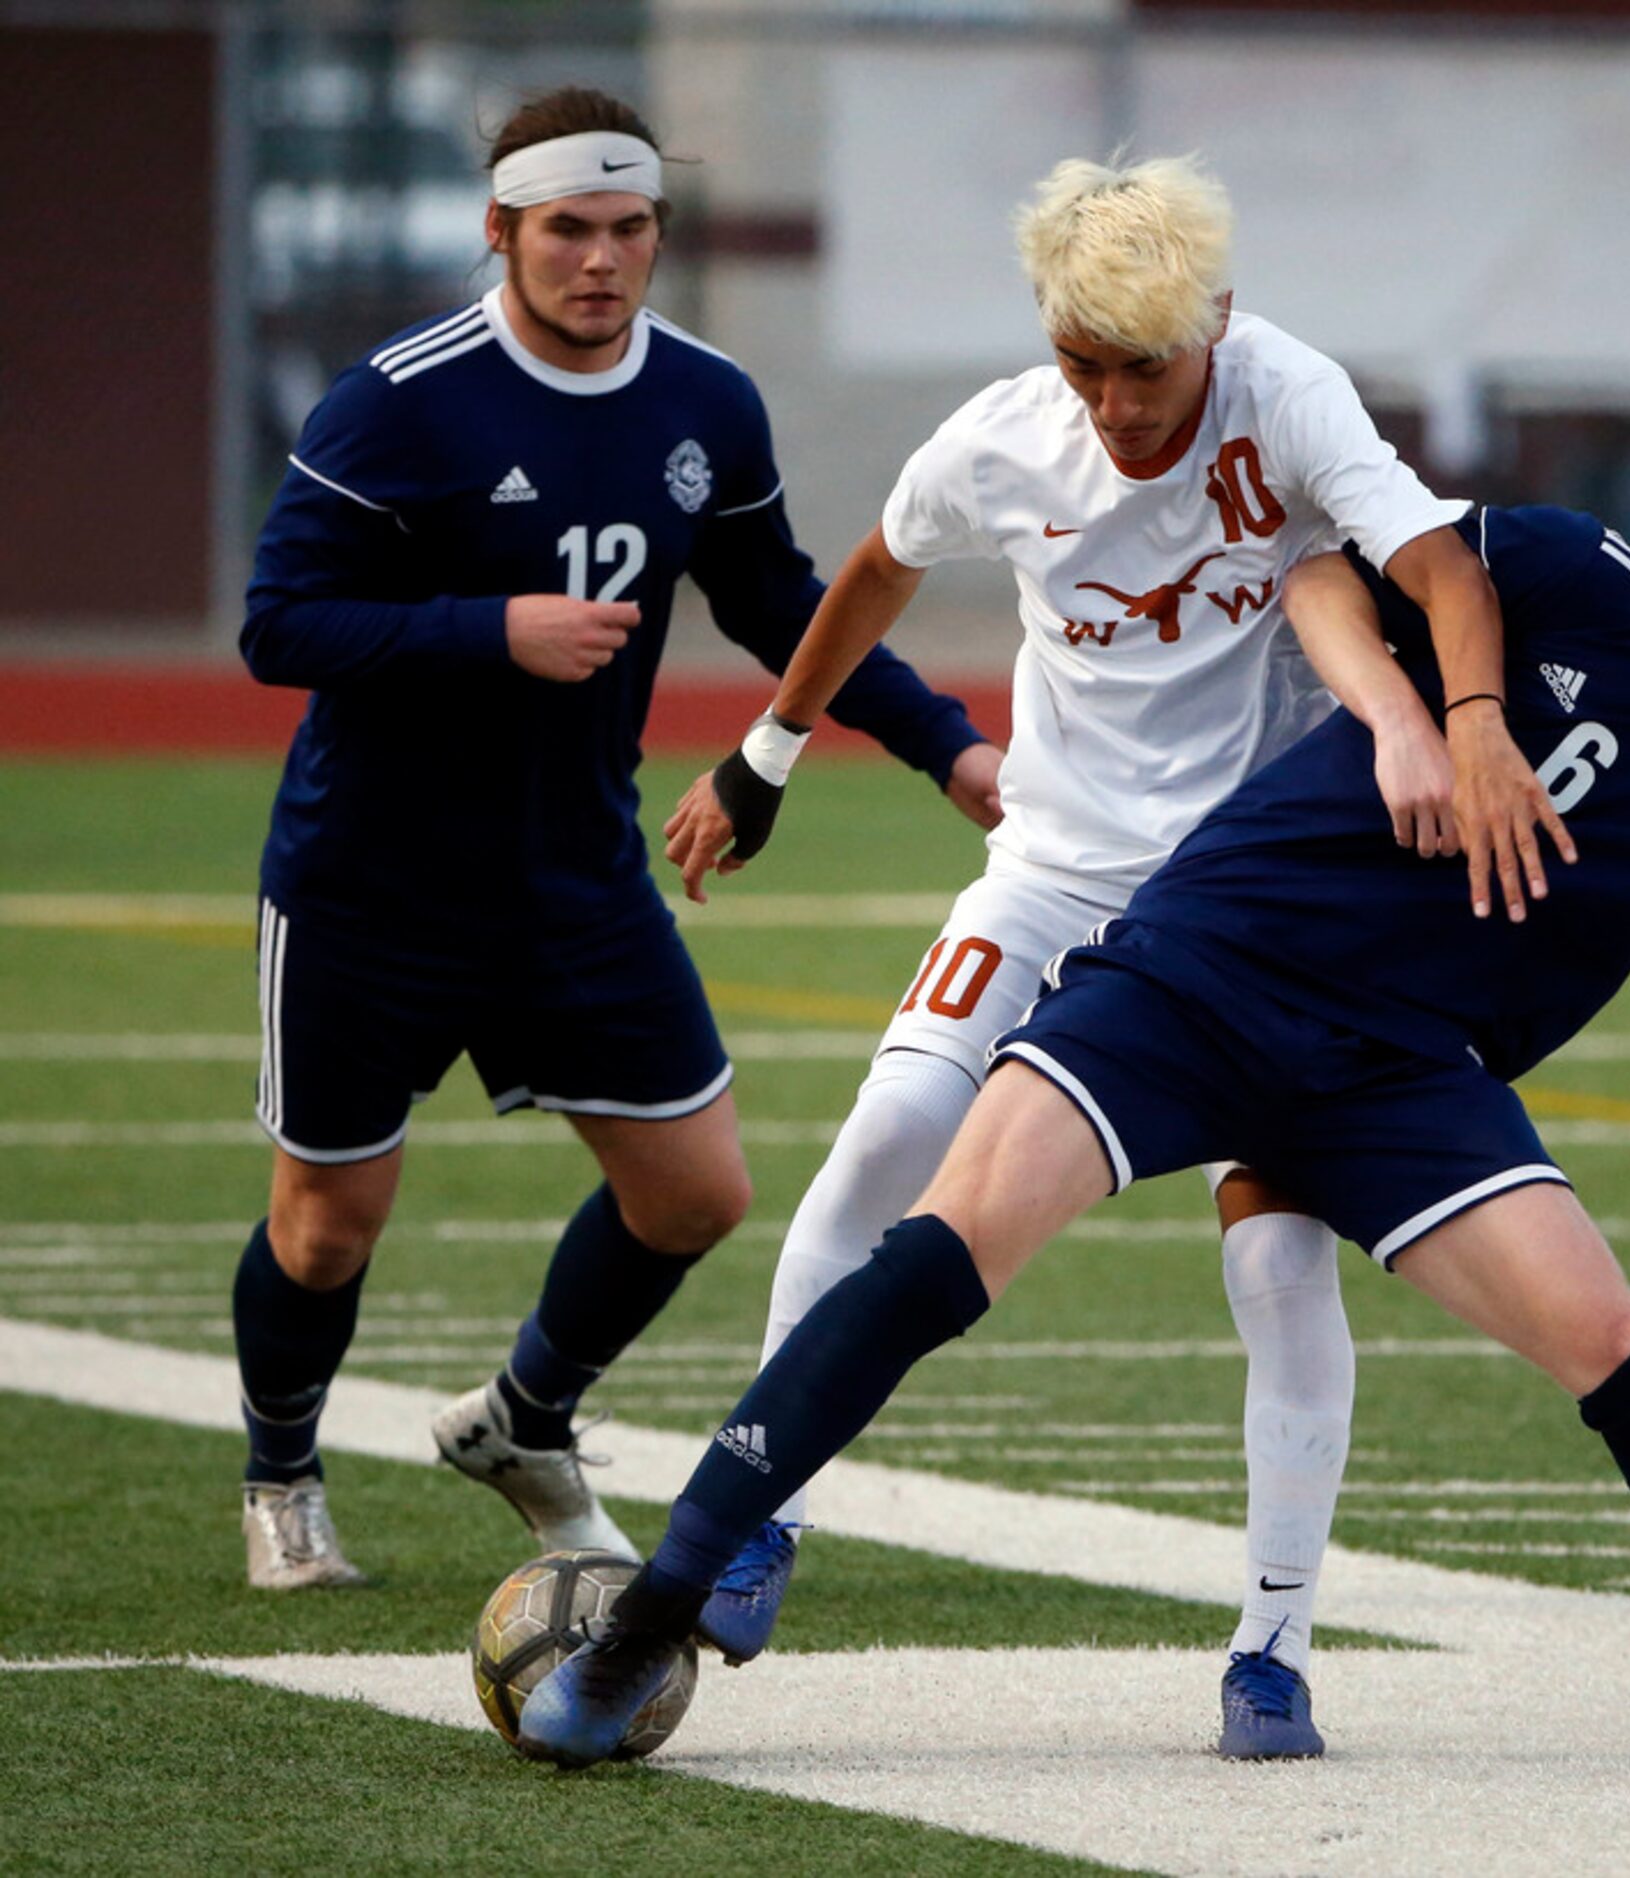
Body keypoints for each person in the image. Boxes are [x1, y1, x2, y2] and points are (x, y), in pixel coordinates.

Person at [519, 437, 1630, 1771]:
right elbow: (1330, 579)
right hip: (1207, 961)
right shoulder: (1571, 573)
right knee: (952, 1239)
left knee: (1611, 1330)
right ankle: (651, 1617)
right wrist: (1454, 718)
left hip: (1397, 1072)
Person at [658, 153, 1560, 1759]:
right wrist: (768, 753)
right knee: (881, 1150)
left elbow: (1437, 566)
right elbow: (874, 568)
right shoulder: (1005, 437)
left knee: (1278, 1262)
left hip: (1250, 911)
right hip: (1051, 875)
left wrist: (1469, 725)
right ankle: (763, 1511)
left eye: (1146, 366)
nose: (1118, 403)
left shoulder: (1286, 396)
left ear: (1211, 321)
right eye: (1085, 363)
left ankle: (1274, 1646)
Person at [232, 87, 1001, 1593]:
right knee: (327, 1227)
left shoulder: (707, 402)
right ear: (501, 232)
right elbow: (277, 626)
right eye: (568, 230)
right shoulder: (397, 400)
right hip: (368, 884)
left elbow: (782, 598)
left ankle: (524, 1415)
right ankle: (280, 1470)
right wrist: (486, 628)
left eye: (630, 228)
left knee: (697, 1190)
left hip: (574, 873)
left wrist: (949, 745)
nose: (600, 260)